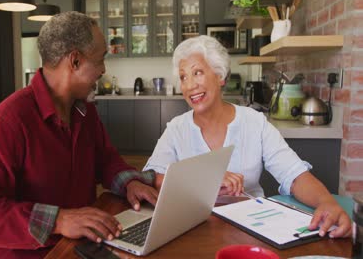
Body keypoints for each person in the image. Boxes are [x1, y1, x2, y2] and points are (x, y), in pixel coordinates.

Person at [0, 12, 158, 259]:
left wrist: (130, 182)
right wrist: (59, 220)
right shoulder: (10, 120)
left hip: (79, 249)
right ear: (74, 61)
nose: (103, 70)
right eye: (101, 59)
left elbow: (105, 160)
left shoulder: (85, 112)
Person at [143, 35, 351, 238]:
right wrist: (203, 179)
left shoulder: (254, 122)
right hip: (192, 229)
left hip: (249, 228)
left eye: (197, 72)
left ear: (220, 76)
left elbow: (294, 175)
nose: (189, 85)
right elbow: (151, 178)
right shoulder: (177, 129)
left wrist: (327, 203)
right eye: (183, 77)